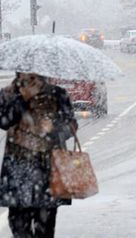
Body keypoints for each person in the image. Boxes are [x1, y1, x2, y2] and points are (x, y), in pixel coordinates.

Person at [0, 72, 78, 237]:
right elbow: (4, 122)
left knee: (45, 228)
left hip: (47, 169)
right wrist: (22, 99)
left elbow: (70, 125)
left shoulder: (57, 93)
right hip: (17, 169)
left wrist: (53, 127)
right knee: (19, 228)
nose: (29, 76)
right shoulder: (8, 94)